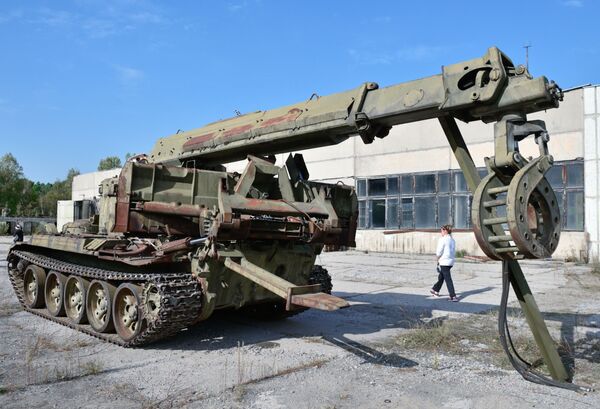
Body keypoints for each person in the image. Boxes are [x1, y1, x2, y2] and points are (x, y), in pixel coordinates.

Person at [430, 224, 459, 302]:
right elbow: (453, 252)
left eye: (442, 230)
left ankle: (453, 296)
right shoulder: (452, 240)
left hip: (444, 262)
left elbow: (439, 251)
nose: (441, 232)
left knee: (448, 279)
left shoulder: (442, 239)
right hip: (450, 262)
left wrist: (437, 258)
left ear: (445, 231)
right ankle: (435, 290)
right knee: (442, 277)